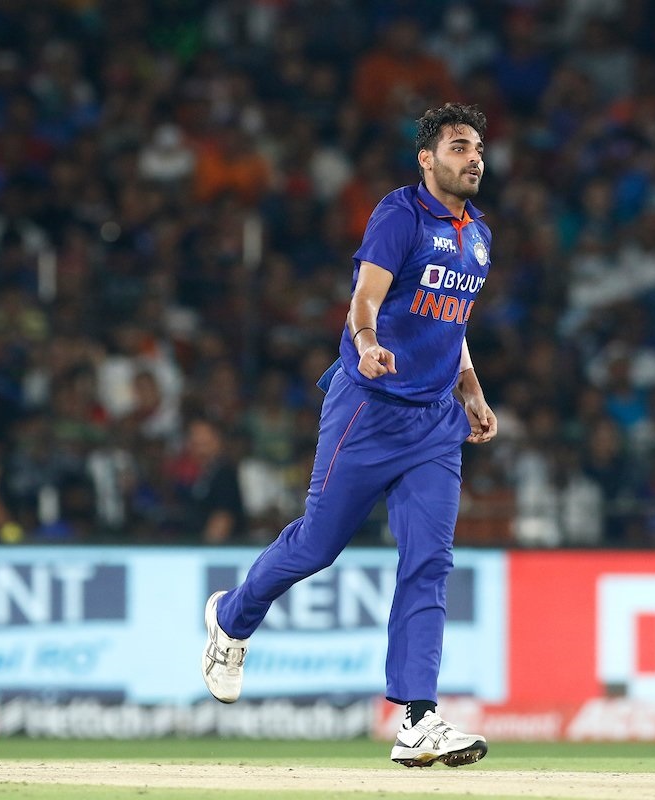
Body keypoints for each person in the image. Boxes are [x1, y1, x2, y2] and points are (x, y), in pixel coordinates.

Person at [200, 103, 497, 768]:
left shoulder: (478, 235)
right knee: (317, 545)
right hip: (369, 407)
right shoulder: (400, 215)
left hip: (434, 423)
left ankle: (417, 719)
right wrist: (365, 345)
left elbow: (450, 323)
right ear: (427, 159)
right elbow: (366, 298)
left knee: (428, 562)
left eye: (478, 148)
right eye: (458, 146)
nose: (473, 157)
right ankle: (232, 619)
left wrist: (471, 389)